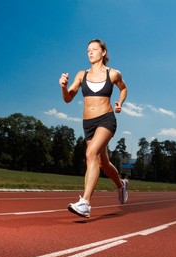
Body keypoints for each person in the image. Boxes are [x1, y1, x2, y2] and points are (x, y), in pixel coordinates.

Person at [59, 39, 128, 218]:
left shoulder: (113, 74)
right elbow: (68, 98)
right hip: (88, 124)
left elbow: (124, 88)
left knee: (90, 153)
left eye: (94, 49)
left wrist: (120, 103)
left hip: (106, 119)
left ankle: (86, 203)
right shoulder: (81, 74)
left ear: (103, 52)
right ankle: (121, 185)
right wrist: (64, 87)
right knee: (102, 163)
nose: (90, 52)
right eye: (88, 50)